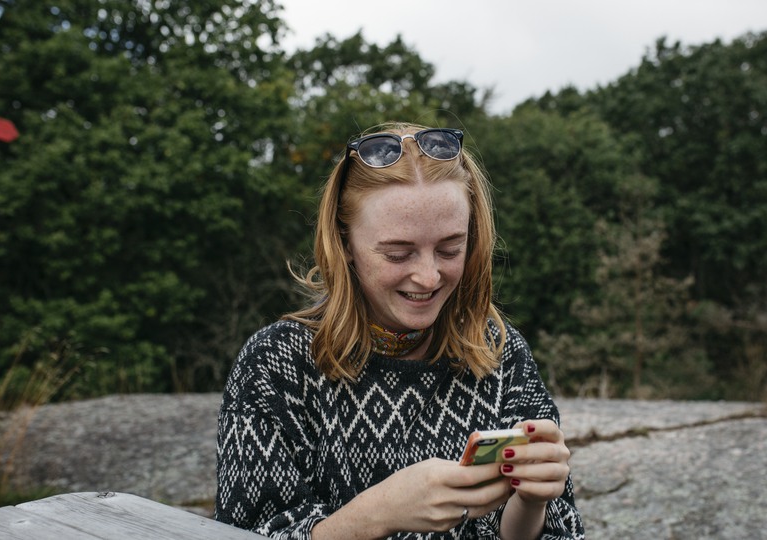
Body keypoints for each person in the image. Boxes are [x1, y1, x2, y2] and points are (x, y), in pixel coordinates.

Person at [215, 122, 585, 539]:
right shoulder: (275, 364)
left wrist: (531, 501)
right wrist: (375, 514)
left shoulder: (500, 353)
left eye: (450, 248)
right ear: (345, 243)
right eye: (397, 253)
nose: (428, 277)